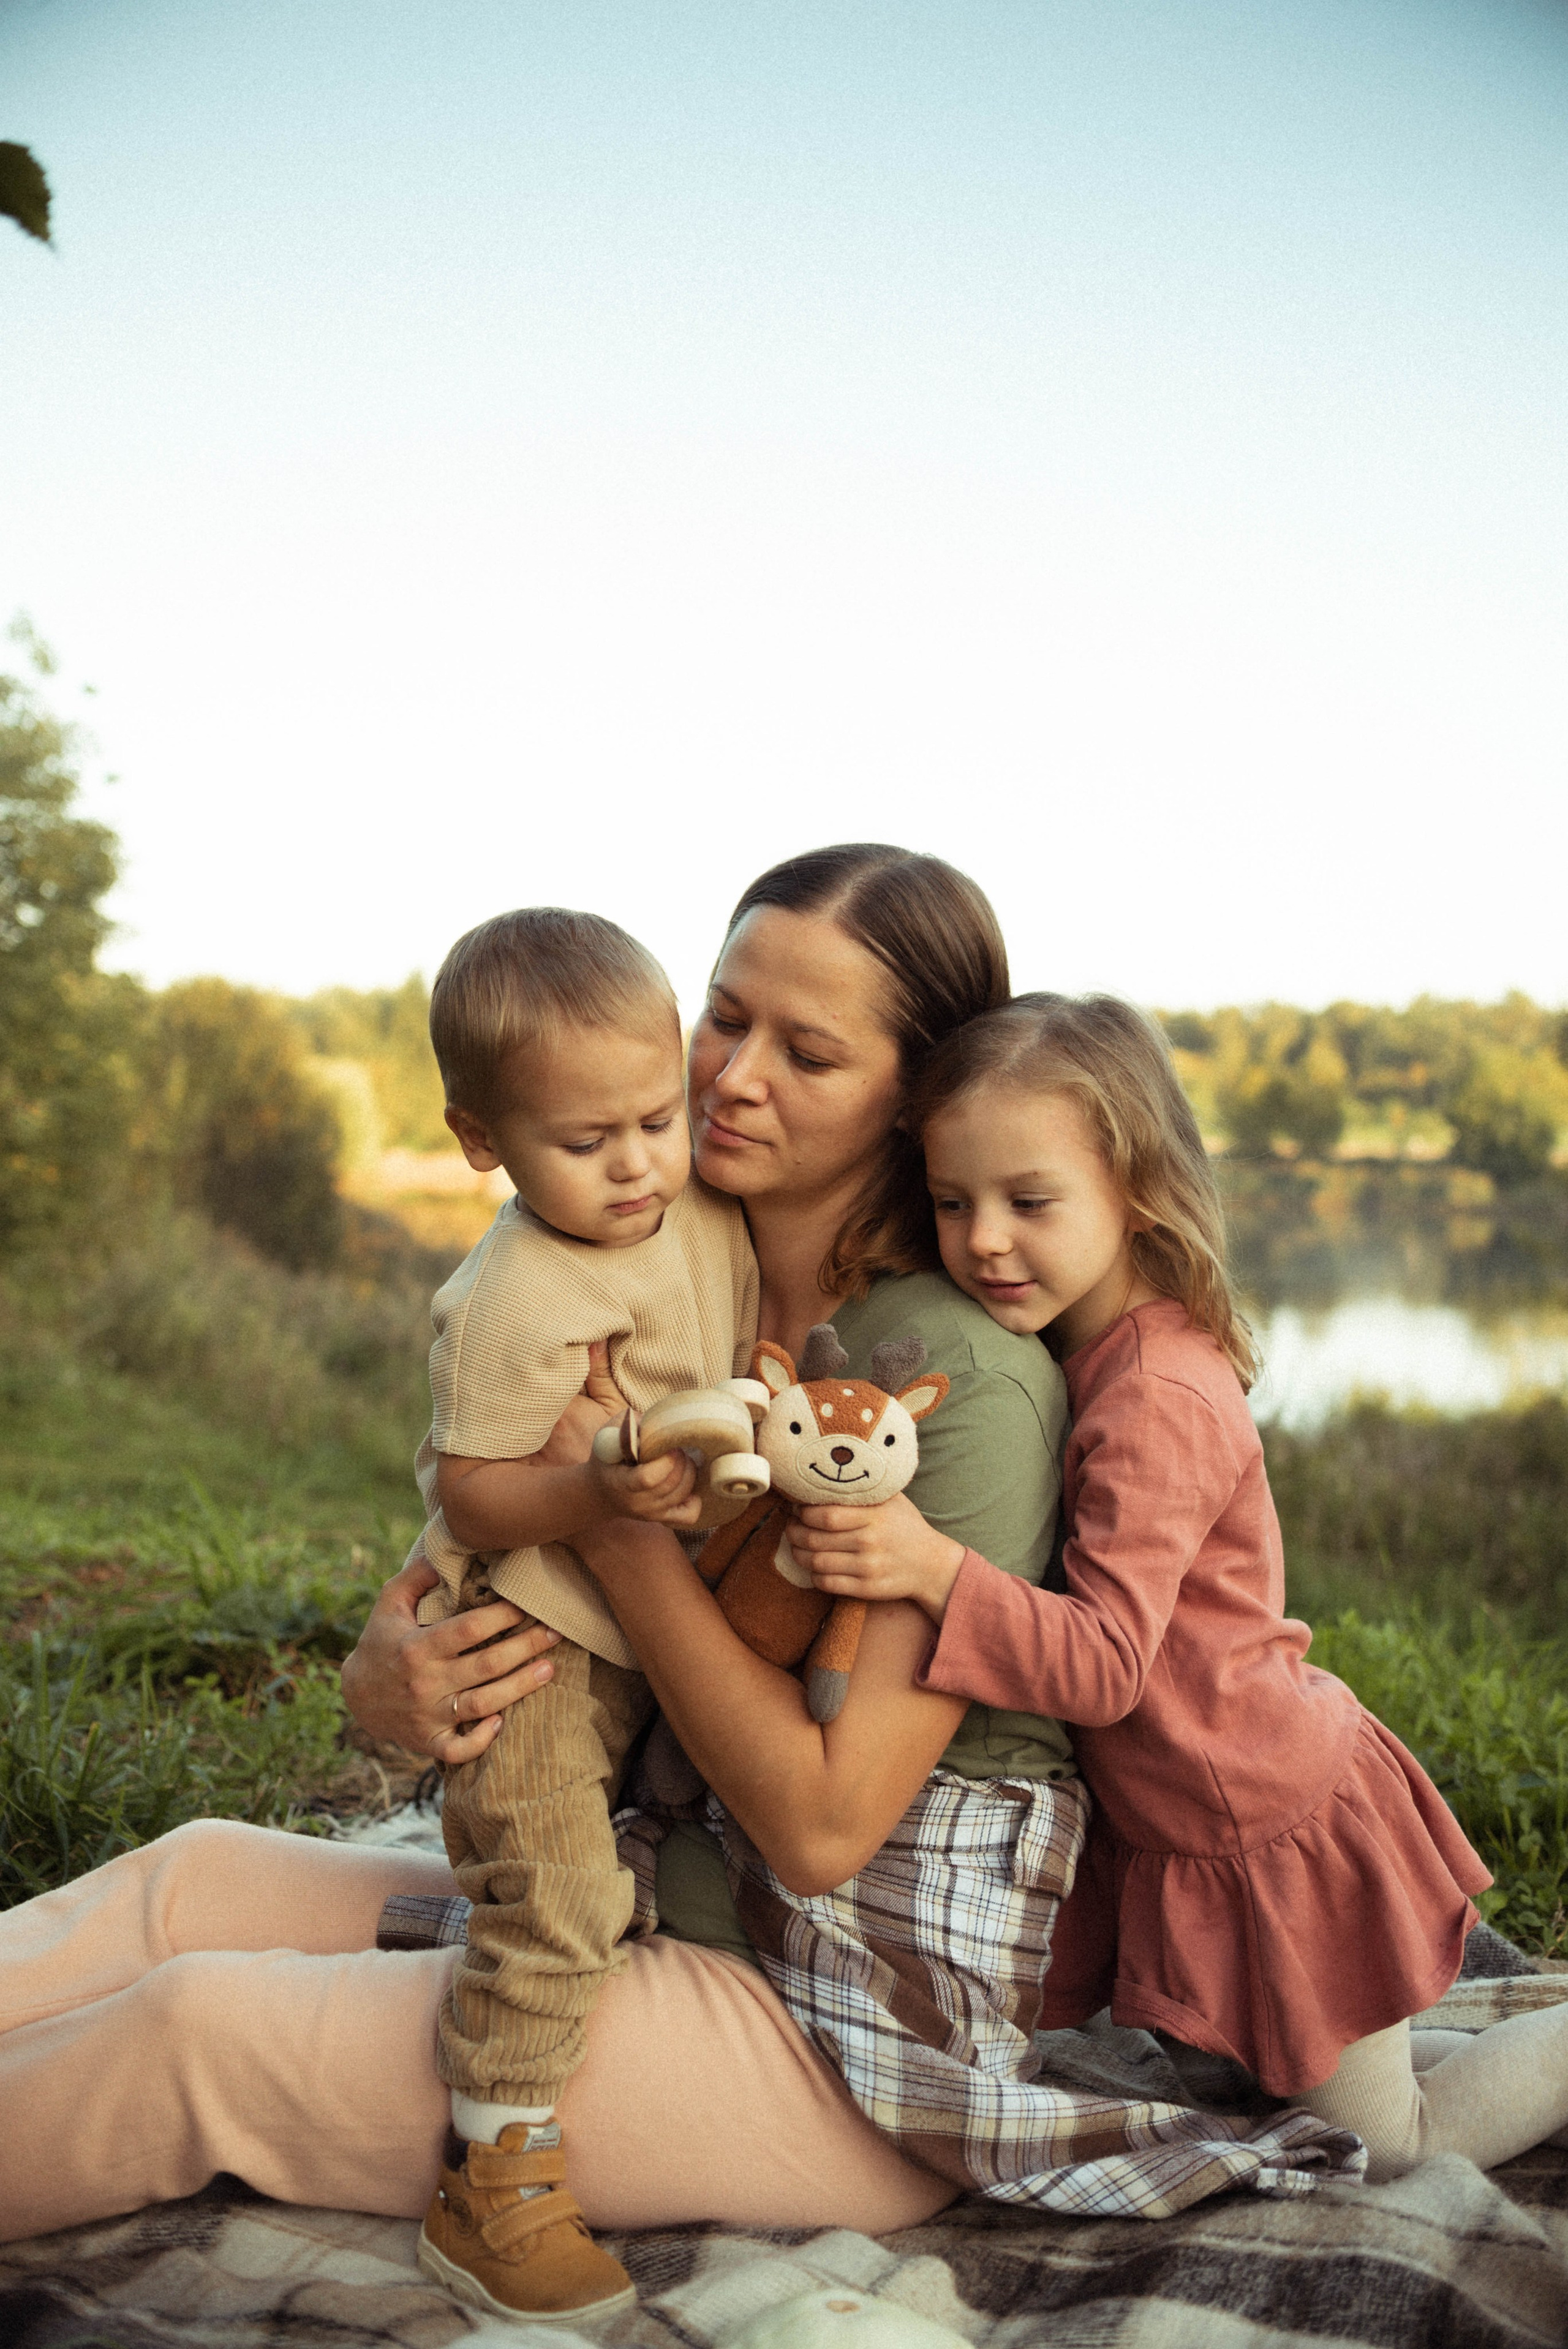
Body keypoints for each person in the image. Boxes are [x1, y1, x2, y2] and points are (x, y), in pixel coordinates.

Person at [0, 846, 1093, 2255]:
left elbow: (822, 1829)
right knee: (190, 1881)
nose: (732, 1078)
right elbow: (494, 1506)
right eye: (724, 1016)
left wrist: (618, 1532)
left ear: (915, 1098)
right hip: (643, 1882)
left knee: (194, 2032)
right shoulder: (666, 1247)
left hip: (835, 2026)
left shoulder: (951, 1383)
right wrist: (398, 1670)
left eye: (808, 1053)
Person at [791, 990, 1568, 2182]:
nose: (984, 1239)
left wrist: (931, 1566)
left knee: (1387, 2143)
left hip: (1261, 1817)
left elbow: (1107, 1666)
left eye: (1029, 1202)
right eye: (953, 1201)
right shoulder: (1085, 1347)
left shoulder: (1155, 1394)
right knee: (1293, 2080)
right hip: (1192, 1806)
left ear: (1135, 1189)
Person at [404, 905, 757, 2323]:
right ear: (480, 1139)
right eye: (583, 1140)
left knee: (601, 1878)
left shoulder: (699, 1207)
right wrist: (596, 1488)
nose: (633, 1165)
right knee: (557, 1893)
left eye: (655, 1120)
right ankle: (491, 2182)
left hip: (646, 1633)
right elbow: (472, 1489)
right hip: (538, 1643)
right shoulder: (509, 1294)